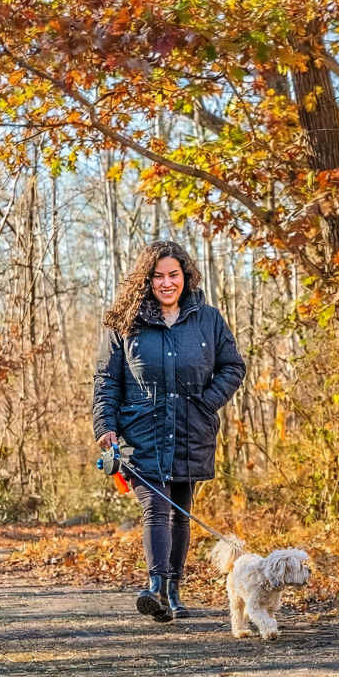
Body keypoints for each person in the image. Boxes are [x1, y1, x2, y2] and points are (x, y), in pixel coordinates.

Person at [93, 241, 245, 622]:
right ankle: (156, 587)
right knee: (156, 507)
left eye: (172, 275)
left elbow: (233, 366)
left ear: (185, 276)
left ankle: (174, 589)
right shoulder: (123, 323)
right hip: (141, 431)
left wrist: (208, 401)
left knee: (181, 510)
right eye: (157, 276)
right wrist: (105, 426)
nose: (165, 282)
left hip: (193, 428)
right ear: (146, 280)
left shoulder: (208, 319)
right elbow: (106, 380)